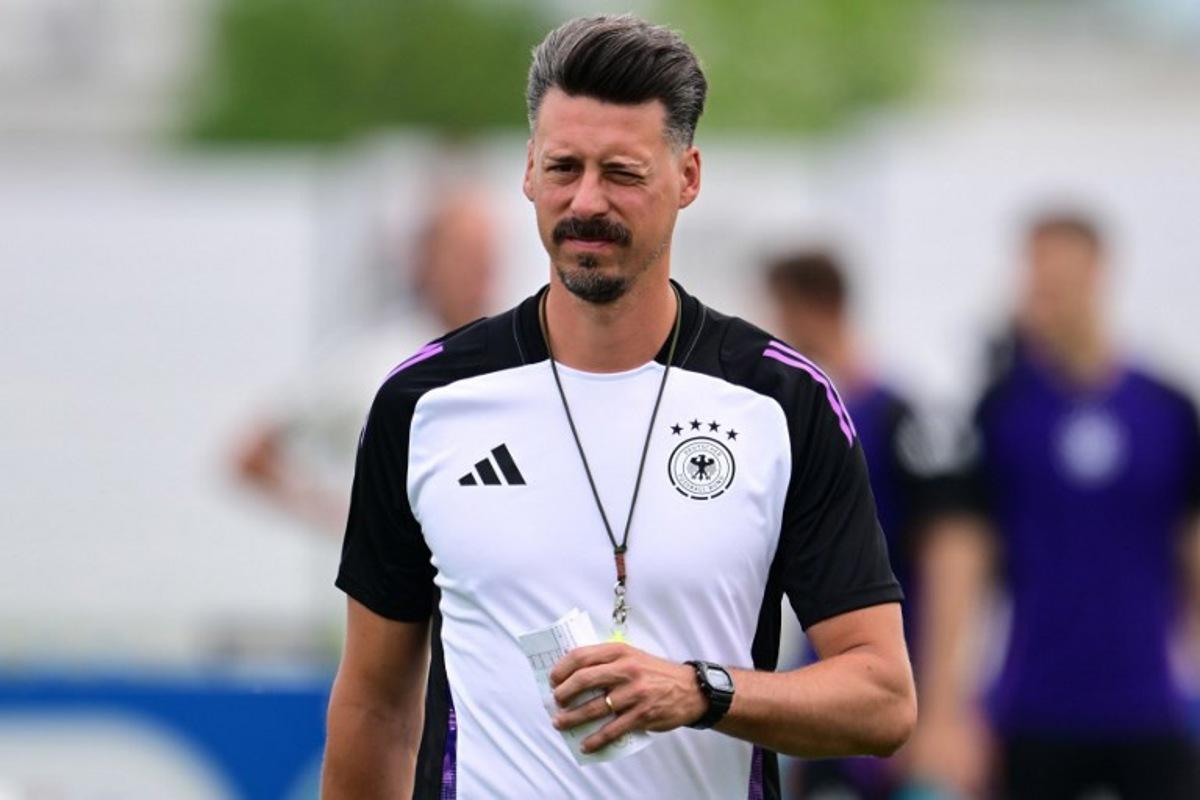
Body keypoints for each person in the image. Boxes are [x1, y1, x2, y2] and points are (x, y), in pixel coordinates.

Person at [321, 15, 916, 799]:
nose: (587, 201)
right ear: (529, 170)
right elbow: (374, 702)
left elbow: (881, 697)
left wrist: (702, 692)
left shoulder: (780, 400)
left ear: (688, 177)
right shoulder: (424, 402)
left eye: (623, 173)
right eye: (564, 167)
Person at [922, 212, 1200, 799]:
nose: (1042, 289)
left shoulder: (1168, 409)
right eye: (1034, 274)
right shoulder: (1000, 410)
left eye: (1058, 274)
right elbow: (959, 562)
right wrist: (945, 711)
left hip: (1149, 710)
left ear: (1098, 272)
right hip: (1033, 712)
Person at [766, 251, 966, 799]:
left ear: (809, 310)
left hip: (896, 671)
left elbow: (948, 557)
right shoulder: (788, 418)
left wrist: (943, 706)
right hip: (824, 671)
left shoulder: (896, 417)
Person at [232, 187, 498, 535]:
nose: (478, 275)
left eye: (486, 258)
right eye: (462, 257)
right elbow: (253, 455)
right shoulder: (374, 360)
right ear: (425, 261)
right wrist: (348, 522)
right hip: (389, 585)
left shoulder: (512, 356)